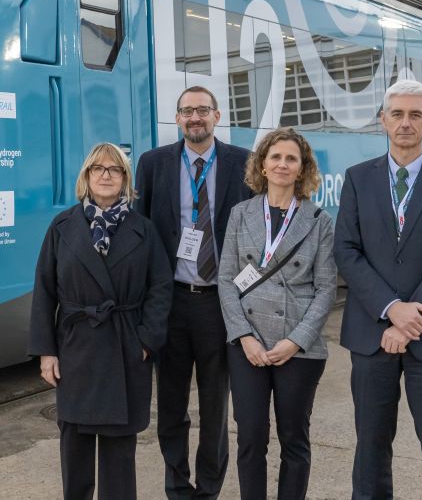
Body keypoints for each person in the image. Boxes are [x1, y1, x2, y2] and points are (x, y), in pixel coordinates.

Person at [335, 79, 422, 500]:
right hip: (372, 334)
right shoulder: (358, 179)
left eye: (416, 115)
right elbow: (347, 250)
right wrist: (392, 308)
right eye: (397, 114)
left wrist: (412, 318)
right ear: (383, 121)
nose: (406, 123)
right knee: (371, 448)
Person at [29, 142, 173, 500]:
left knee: (119, 449)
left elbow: (161, 287)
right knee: (75, 445)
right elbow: (45, 290)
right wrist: (47, 351)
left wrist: (146, 340)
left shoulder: (143, 229)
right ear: (87, 177)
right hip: (76, 346)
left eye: (115, 169)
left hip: (125, 345)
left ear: (125, 178)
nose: (106, 175)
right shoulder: (62, 226)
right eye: (99, 169)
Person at [134, 86, 251, 499]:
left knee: (216, 406)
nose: (195, 118)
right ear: (178, 118)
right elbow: (141, 234)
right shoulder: (153, 164)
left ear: (217, 115)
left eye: (203, 110)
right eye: (187, 111)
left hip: (221, 302)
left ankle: (209, 489)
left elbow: (257, 235)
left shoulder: (244, 163)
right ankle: (176, 485)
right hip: (172, 302)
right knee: (170, 403)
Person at [217, 127, 337, 500]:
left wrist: (296, 341)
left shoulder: (319, 220)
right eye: (276, 157)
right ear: (263, 166)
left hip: (297, 346)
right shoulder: (241, 214)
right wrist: (244, 336)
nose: (283, 164)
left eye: (291, 159)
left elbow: (326, 288)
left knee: (294, 440)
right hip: (248, 344)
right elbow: (226, 280)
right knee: (250, 437)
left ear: (302, 169)